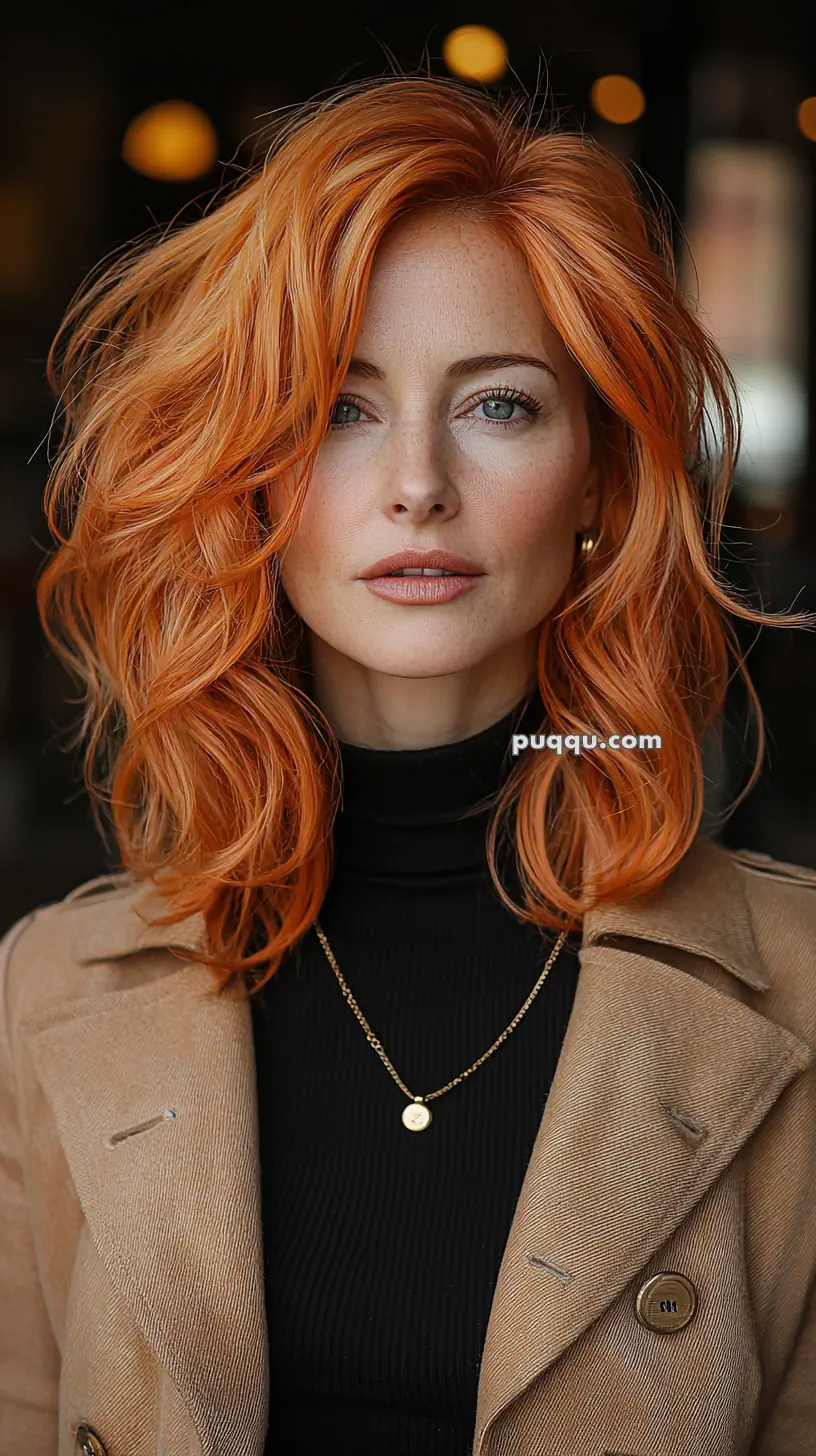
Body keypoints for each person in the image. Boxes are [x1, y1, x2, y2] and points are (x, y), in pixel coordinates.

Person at [1, 72, 814, 1456]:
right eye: (338, 409)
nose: (417, 483)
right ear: (246, 471)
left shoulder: (797, 998)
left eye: (500, 407)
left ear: (603, 485)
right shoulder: (42, 1003)